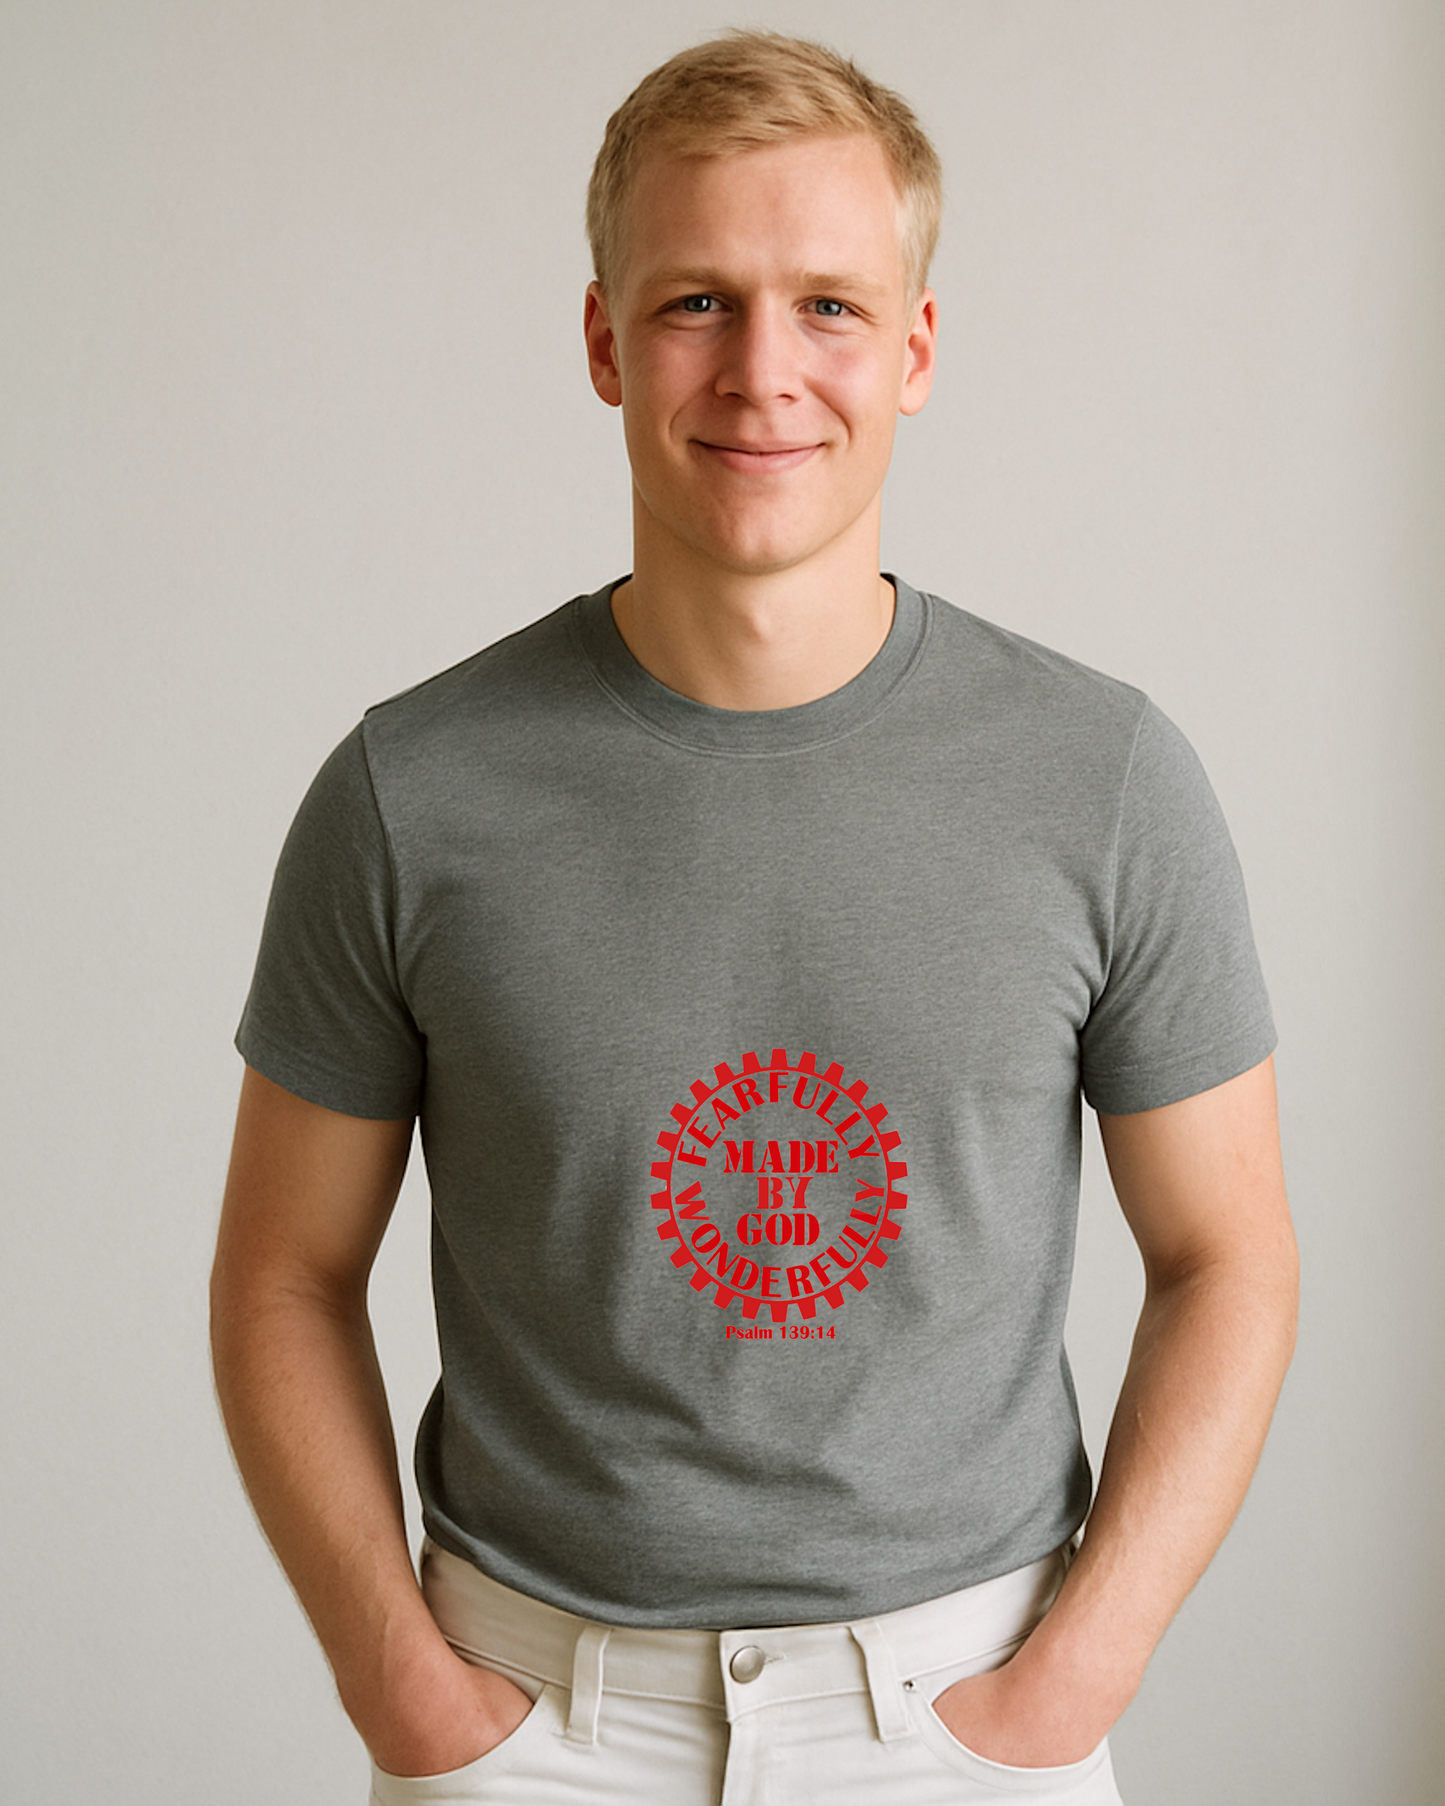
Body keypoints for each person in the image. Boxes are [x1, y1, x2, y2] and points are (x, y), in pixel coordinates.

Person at [211, 30, 1297, 1805]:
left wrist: (1072, 1680)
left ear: (920, 347)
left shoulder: (1105, 777)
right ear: (603, 341)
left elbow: (1233, 1257)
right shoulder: (411, 794)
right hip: (528, 1719)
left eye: (831, 307)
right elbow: (281, 1273)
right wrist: (402, 1685)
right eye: (698, 303)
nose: (763, 372)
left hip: (962, 1714)